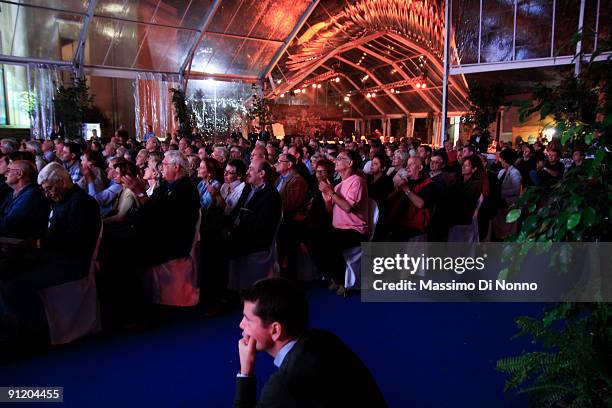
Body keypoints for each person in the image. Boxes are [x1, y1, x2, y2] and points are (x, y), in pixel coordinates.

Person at [234, 278, 386, 408]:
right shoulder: (324, 338)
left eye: (247, 319)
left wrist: (245, 372)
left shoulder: (284, 384)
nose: (241, 325)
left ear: (275, 330)